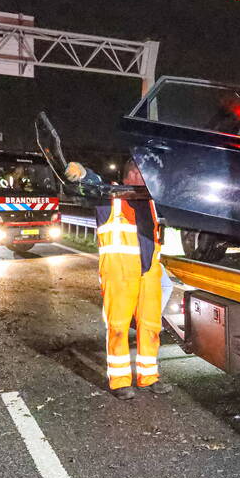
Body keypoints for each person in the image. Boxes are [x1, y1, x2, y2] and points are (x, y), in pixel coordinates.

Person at [67, 158, 171, 399]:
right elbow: (92, 184)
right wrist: (82, 173)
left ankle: (149, 376)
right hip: (119, 273)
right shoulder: (110, 197)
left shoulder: (150, 201)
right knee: (118, 328)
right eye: (142, 173)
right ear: (130, 175)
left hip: (149, 272)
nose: (148, 178)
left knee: (151, 326)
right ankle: (120, 381)